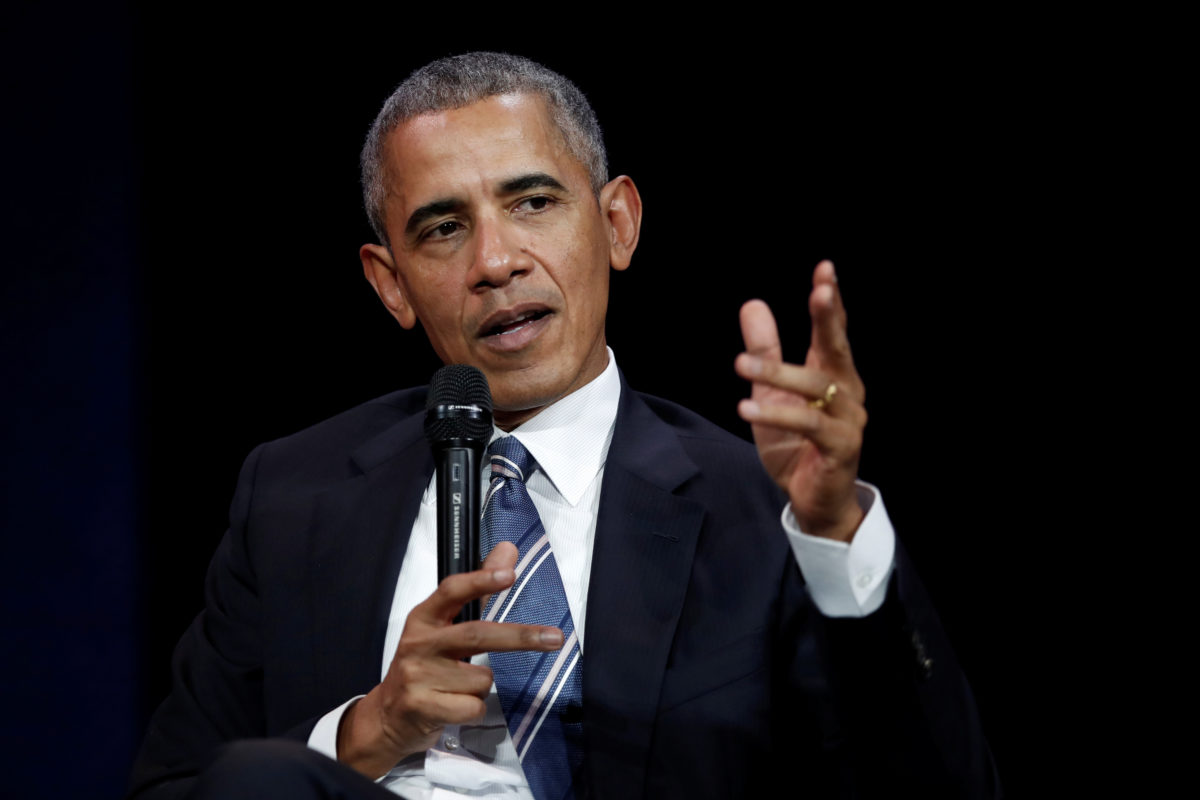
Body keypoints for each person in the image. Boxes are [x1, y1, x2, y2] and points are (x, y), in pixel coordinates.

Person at [128, 52, 998, 799]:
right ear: (390, 284)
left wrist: (835, 531)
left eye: (534, 203)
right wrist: (370, 727)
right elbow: (180, 786)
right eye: (443, 228)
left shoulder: (756, 506)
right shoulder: (292, 496)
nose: (496, 261)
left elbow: (936, 787)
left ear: (617, 224)